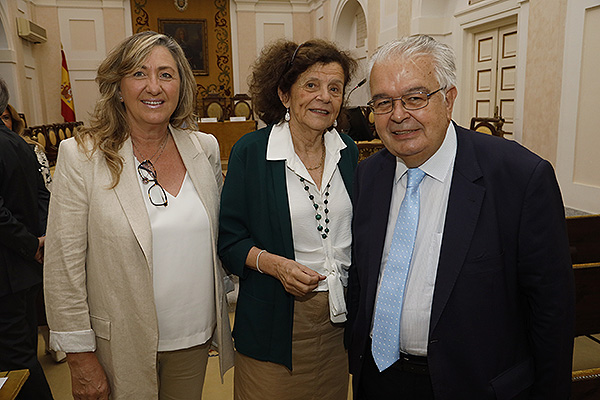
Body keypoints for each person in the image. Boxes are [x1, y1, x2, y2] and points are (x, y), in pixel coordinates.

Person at [346, 35, 574, 399]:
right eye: (383, 102)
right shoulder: (369, 175)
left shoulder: (519, 177)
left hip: (474, 385)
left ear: (448, 99)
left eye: (415, 98)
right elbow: (363, 276)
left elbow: (551, 311)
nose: (399, 115)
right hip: (378, 379)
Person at [44, 31, 234, 400]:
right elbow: (62, 268)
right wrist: (80, 358)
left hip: (193, 340)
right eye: (138, 74)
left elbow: (221, 238)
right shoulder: (81, 156)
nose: (154, 87)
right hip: (118, 346)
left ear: (181, 86)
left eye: (166, 74)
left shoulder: (204, 148)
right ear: (117, 86)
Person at [218, 39, 358, 399]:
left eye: (335, 88)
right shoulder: (252, 151)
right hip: (274, 325)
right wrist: (275, 265)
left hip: (338, 325)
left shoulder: (348, 152)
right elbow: (230, 241)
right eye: (311, 85)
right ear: (284, 94)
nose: (324, 97)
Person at [0, 77, 53, 399]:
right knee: (22, 354)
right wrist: (39, 241)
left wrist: (31, 243)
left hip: (7, 274)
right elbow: (42, 196)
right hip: (24, 271)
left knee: (16, 362)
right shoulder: (20, 143)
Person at [1, 104, 52, 190]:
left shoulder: (31, 149)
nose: (2, 124)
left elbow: (46, 189)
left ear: (13, 122)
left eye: (6, 118)